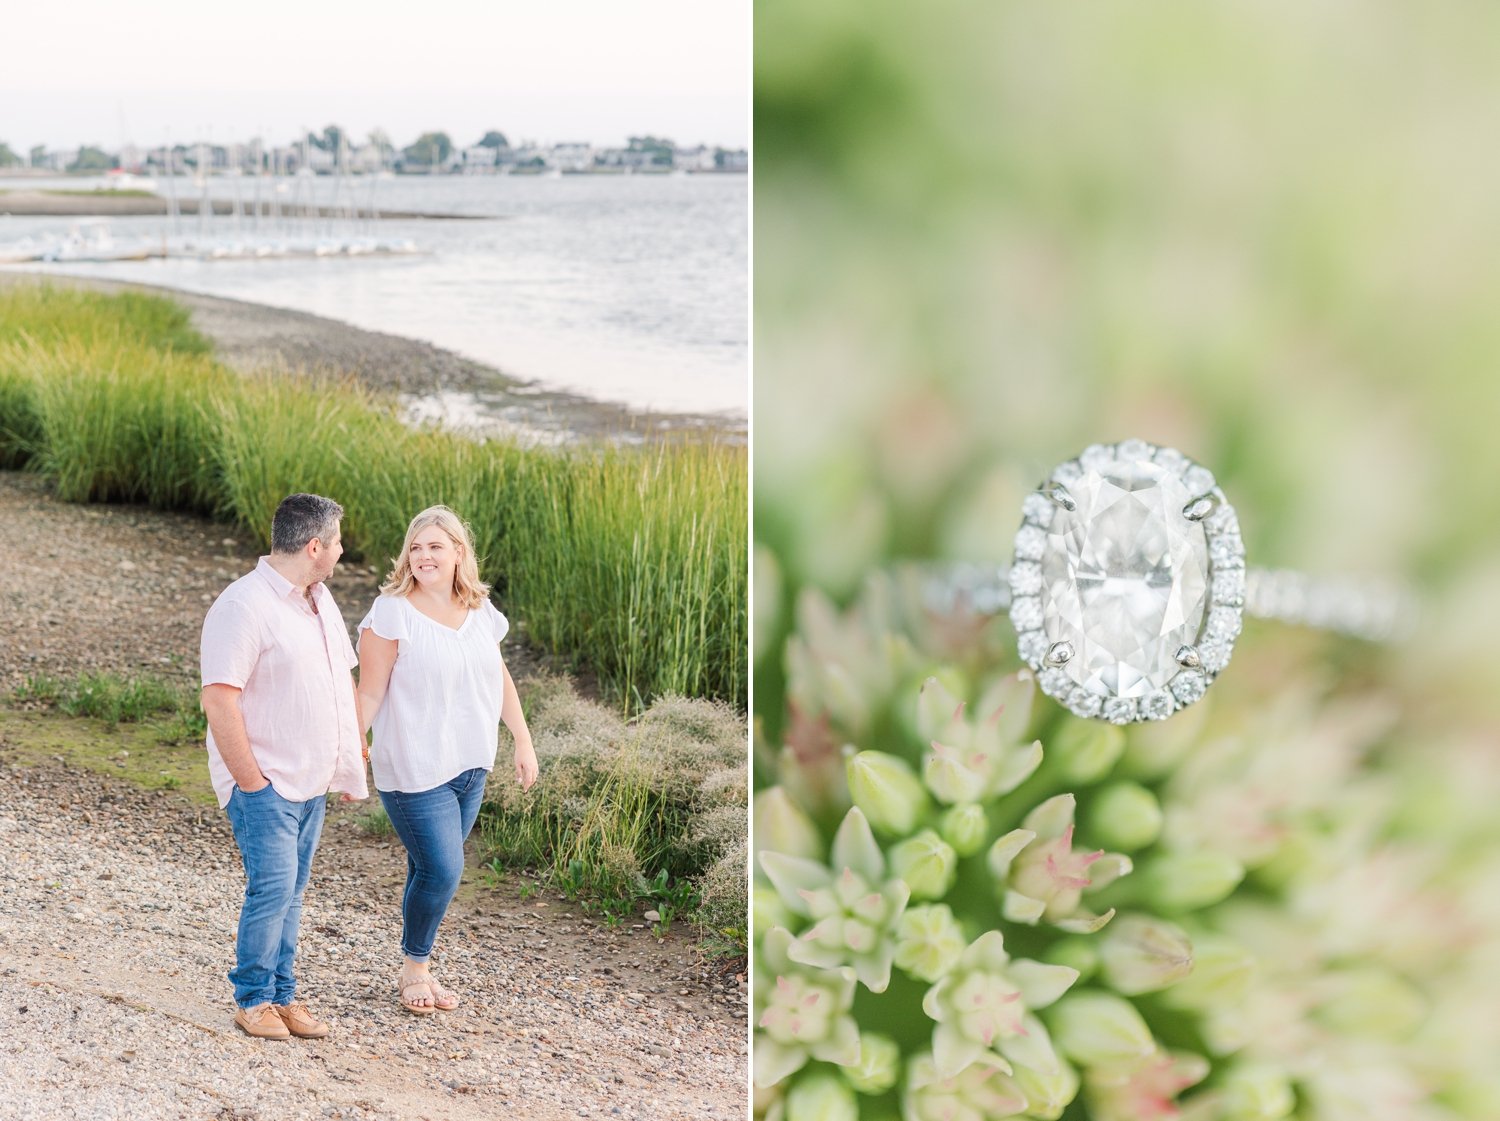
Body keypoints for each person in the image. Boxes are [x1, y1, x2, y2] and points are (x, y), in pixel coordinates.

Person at [356, 505, 538, 1014]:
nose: (423, 556)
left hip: (471, 765)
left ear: (459, 552)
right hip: (414, 767)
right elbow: (369, 693)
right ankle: (415, 966)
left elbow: (498, 678)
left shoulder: (481, 610)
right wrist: (352, 744)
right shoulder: (391, 613)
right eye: (415, 547)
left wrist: (522, 739)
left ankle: (418, 961)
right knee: (443, 869)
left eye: (435, 546)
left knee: (429, 867)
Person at [200, 493, 367, 1041]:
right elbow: (219, 699)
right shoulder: (242, 605)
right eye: (338, 542)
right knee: (272, 888)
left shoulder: (318, 601)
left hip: (311, 779)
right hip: (266, 780)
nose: (342, 551)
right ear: (314, 546)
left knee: (293, 892)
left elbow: (340, 681)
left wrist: (349, 757)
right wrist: (253, 782)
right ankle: (252, 1000)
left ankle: (283, 996)